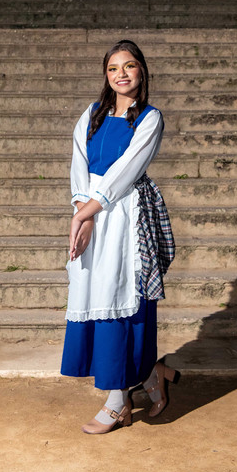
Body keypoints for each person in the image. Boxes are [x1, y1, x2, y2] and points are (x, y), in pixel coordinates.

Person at [60, 39, 179, 434]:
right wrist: (83, 212)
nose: (121, 74)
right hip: (91, 212)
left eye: (129, 66)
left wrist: (89, 211)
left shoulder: (149, 118)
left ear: (141, 70)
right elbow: (79, 162)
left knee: (121, 295)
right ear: (105, 75)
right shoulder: (92, 113)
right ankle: (150, 373)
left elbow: (127, 169)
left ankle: (118, 401)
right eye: (113, 68)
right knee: (93, 293)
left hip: (126, 214)